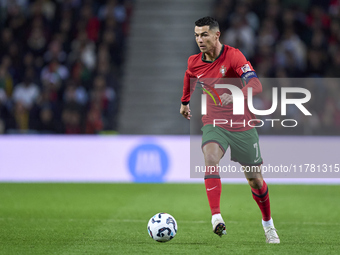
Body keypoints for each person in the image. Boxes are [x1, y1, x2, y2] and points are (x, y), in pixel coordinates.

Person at [180, 16, 280, 244]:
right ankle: (216, 216)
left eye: (204, 34)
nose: (199, 39)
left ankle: (268, 225)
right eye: (196, 35)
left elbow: (256, 84)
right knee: (210, 158)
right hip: (214, 123)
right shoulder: (194, 62)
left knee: (255, 180)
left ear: (217, 35)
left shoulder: (234, 56)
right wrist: (185, 102)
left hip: (242, 125)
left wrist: (236, 94)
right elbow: (189, 76)